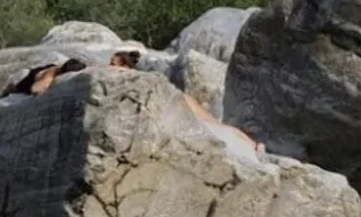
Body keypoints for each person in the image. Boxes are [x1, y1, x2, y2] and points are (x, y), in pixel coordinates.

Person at [110, 49, 264, 152]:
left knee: (214, 124)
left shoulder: (134, 78)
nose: (109, 67)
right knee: (213, 124)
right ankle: (254, 145)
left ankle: (254, 145)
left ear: (125, 66)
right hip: (177, 101)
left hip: (178, 100)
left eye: (113, 64)